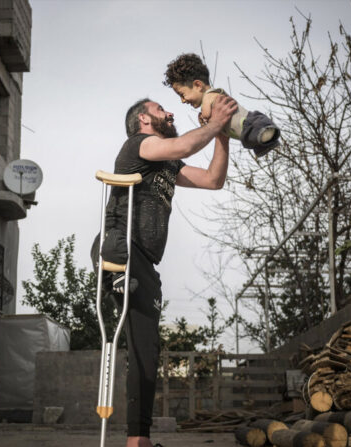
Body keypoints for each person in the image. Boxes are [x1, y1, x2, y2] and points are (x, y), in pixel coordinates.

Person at [93, 95, 238, 447]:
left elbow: (213, 179)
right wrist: (214, 121)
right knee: (141, 344)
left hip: (146, 263)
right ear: (143, 119)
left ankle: (138, 439)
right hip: (121, 245)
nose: (170, 112)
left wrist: (222, 136)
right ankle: (136, 440)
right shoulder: (139, 145)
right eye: (161, 110)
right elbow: (186, 143)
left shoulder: (169, 165)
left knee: (147, 347)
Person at [163, 53, 280, 157]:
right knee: (254, 138)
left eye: (182, 94)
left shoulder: (210, 96)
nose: (183, 100)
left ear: (198, 85)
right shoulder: (214, 98)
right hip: (246, 131)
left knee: (256, 129)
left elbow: (206, 114)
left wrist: (204, 121)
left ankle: (266, 133)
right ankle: (267, 140)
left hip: (249, 123)